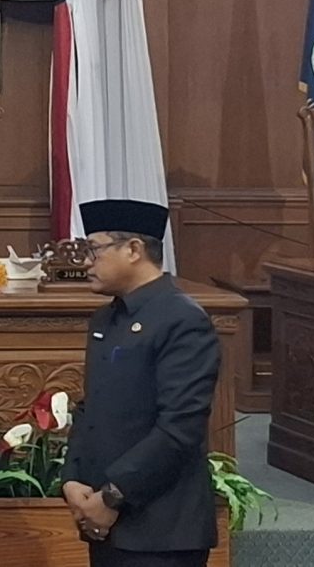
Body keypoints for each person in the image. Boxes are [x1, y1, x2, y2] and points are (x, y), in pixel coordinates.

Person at [62, 199, 223, 567]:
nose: (86, 262)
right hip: (106, 524)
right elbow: (92, 407)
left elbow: (180, 427)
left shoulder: (182, 320)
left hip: (161, 530)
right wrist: (72, 478)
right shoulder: (105, 320)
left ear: (133, 250)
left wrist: (113, 495)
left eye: (94, 250)